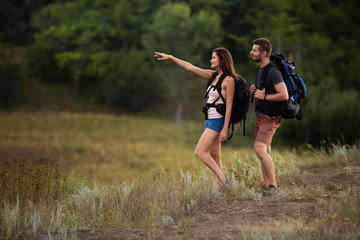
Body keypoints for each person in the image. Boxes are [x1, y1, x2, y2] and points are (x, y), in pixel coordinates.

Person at [154, 48, 236, 184]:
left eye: (214, 57)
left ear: (222, 59)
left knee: (199, 152)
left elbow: (229, 106)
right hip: (209, 119)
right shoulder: (212, 75)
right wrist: (170, 57)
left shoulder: (229, 80)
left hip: (218, 120)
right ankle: (220, 187)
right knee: (215, 156)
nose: (211, 60)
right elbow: (189, 67)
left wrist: (225, 128)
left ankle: (225, 181)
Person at [249, 38, 288, 195]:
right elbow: (266, 91)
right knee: (265, 150)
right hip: (261, 116)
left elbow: (283, 95)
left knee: (259, 149)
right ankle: (267, 186)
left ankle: (273, 187)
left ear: (264, 53)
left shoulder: (273, 71)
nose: (251, 52)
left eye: (255, 50)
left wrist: (263, 97)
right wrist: (256, 91)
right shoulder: (261, 69)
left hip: (270, 117)